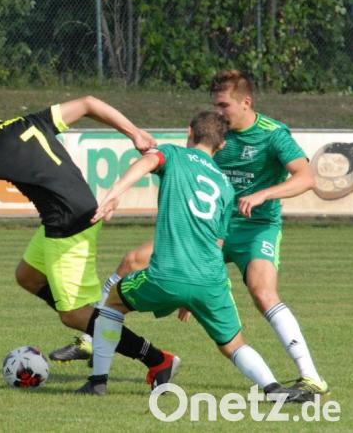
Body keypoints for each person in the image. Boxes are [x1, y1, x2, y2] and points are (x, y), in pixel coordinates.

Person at [0, 96, 180, 392]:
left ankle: (156, 358)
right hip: (71, 213)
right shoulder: (27, 121)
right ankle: (93, 320)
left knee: (73, 315)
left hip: (69, 224)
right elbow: (88, 103)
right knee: (27, 275)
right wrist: (134, 133)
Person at [87, 70, 328, 395]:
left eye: (224, 105)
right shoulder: (218, 137)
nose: (219, 112)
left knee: (262, 292)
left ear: (246, 102)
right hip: (211, 226)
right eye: (215, 105)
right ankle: (90, 338)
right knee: (132, 259)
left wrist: (263, 194)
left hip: (256, 226)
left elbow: (306, 177)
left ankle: (310, 375)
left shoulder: (272, 134)